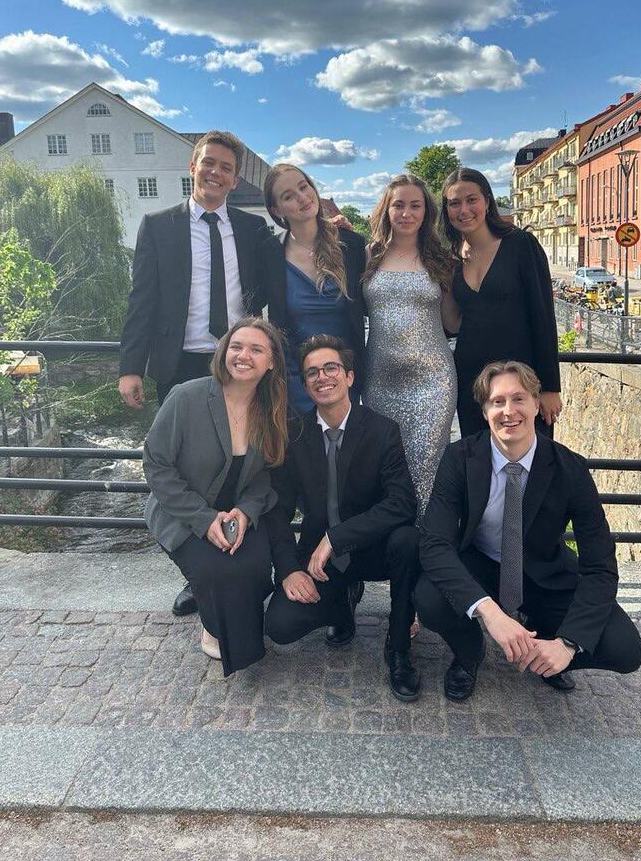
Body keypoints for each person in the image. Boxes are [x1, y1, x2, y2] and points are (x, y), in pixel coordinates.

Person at [415, 359, 641, 702]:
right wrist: (490, 615)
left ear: (537, 404)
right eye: (497, 401)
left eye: (519, 399)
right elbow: (434, 543)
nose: (509, 411)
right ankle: (469, 650)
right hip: (482, 564)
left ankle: (549, 656)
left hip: (543, 572)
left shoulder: (571, 469)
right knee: (429, 599)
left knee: (625, 648)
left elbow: (599, 566)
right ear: (483, 411)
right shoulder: (460, 458)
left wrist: (568, 644)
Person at [119, 130, 269, 618]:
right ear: (193, 165)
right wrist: (130, 367)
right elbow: (141, 300)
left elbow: (290, 259)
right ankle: (195, 573)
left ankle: (223, 554)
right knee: (183, 471)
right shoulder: (158, 226)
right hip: (181, 360)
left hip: (238, 361)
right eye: (209, 163)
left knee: (234, 462)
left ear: (235, 177)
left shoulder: (250, 229)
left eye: (227, 167)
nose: (216, 173)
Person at [264, 334, 422, 702]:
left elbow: (403, 503)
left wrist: (339, 537)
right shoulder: (295, 435)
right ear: (305, 385)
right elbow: (278, 511)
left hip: (372, 548)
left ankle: (398, 646)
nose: (323, 377)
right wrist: (288, 569)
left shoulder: (383, 430)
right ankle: (342, 604)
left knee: (408, 540)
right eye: (312, 373)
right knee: (281, 626)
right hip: (322, 561)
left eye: (331, 368)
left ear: (350, 377)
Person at [143, 318, 288, 677]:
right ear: (224, 352)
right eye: (237, 346)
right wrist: (205, 519)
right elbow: (156, 464)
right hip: (182, 512)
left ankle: (233, 622)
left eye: (256, 349)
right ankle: (214, 622)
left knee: (254, 565)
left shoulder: (270, 409)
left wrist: (245, 511)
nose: (243, 355)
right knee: (214, 569)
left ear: (271, 362)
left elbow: (265, 475)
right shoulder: (186, 396)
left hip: (238, 512)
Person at [441, 167, 561, 437]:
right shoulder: (452, 258)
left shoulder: (520, 245)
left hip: (521, 379)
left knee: (529, 464)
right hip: (472, 380)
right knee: (479, 463)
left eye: (472, 199)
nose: (464, 210)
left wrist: (550, 387)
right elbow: (454, 324)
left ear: (487, 200)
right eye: (454, 203)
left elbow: (543, 315)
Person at [362, 174, 457, 514]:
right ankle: (391, 549)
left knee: (428, 465)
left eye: (415, 205)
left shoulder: (441, 259)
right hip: (379, 382)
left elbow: (452, 323)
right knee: (384, 466)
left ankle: (428, 549)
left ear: (426, 212)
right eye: (398, 205)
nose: (406, 213)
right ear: (386, 210)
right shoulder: (367, 255)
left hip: (433, 382)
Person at [262, 163, 366, 413]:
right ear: (277, 210)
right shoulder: (269, 253)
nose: (302, 197)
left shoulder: (350, 245)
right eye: (289, 196)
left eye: (303, 187)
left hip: (344, 376)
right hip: (295, 379)